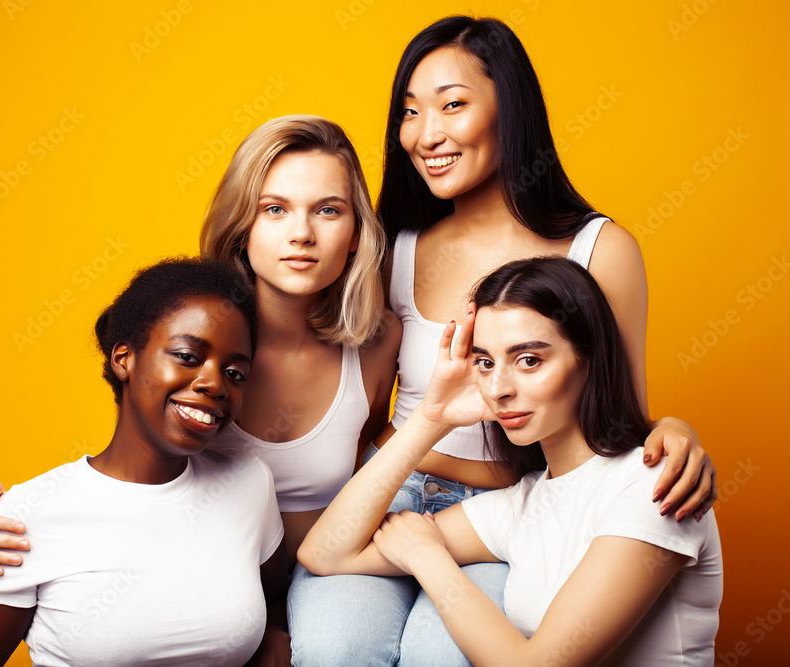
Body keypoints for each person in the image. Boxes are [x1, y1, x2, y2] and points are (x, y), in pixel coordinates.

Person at [286, 15, 717, 665]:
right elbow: (359, 409)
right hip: (393, 490)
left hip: (507, 504)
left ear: (508, 110)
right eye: (409, 112)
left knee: (447, 654)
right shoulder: (394, 249)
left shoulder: (597, 249)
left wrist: (675, 431)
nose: (426, 134)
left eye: (452, 105)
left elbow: (617, 418)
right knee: (335, 645)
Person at [0, 117, 398, 574]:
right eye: (274, 209)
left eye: (328, 210)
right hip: (199, 577)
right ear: (242, 225)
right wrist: (14, 516)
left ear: (357, 233)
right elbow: (125, 470)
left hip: (328, 576)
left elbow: (371, 473)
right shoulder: (187, 332)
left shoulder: (378, 343)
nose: (302, 233)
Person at [298, 256, 722, 665]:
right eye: (485, 362)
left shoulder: (654, 483)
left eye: (529, 360)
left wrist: (427, 558)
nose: (498, 387)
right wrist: (431, 417)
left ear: (589, 358)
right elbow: (327, 553)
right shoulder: (522, 504)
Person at [0, 258, 289, 666]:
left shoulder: (248, 482)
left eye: (235, 373)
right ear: (125, 359)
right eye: (188, 356)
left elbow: (275, 593)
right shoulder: (22, 519)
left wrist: (275, 634)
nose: (215, 383)